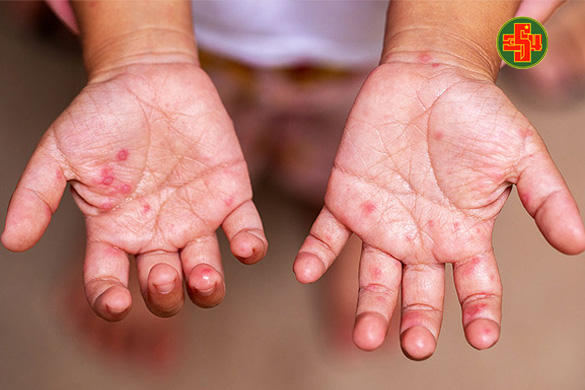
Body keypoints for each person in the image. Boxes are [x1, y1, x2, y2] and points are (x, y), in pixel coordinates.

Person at [2, 0, 584, 362]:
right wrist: (136, 50)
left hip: (389, 44)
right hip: (178, 31)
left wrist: (446, 52)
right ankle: (141, 211)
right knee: (172, 140)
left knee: (380, 142)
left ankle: (363, 217)